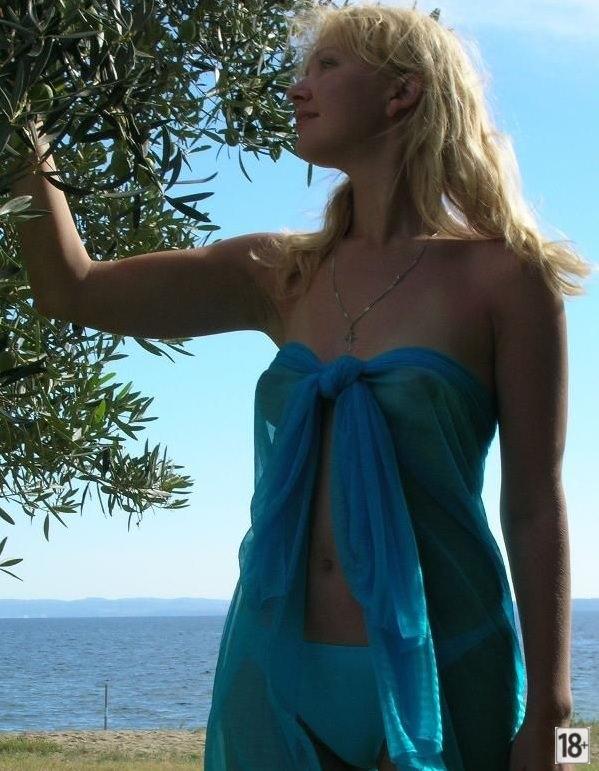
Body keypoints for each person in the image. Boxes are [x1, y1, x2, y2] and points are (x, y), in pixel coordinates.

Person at [10, 4, 591, 771]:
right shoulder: (280, 273)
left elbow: (533, 501)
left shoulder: (507, 279)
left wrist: (553, 715)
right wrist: (17, 111)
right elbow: (71, 288)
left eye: (327, 65)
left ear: (401, 93)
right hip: (279, 671)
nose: (296, 87)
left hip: (445, 664)